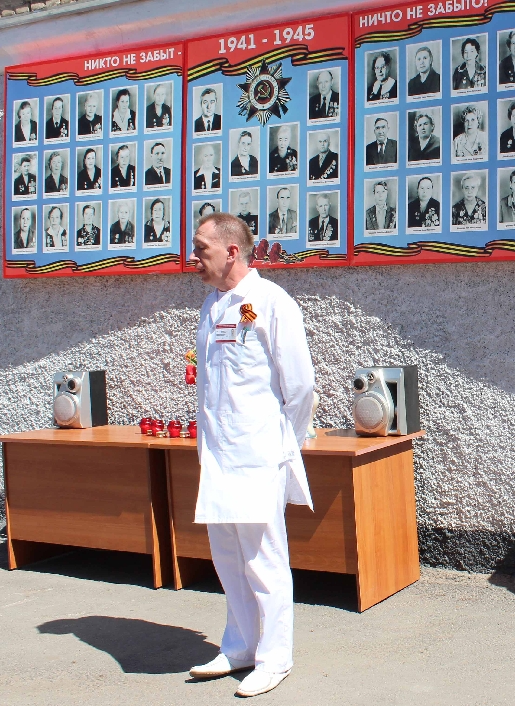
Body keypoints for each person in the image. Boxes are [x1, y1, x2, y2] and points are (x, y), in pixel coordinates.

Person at [186, 212, 315, 698]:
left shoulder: (271, 303)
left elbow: (299, 388)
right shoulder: (212, 305)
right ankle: (239, 646)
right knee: (228, 558)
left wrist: (284, 445)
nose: (194, 258)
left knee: (264, 561)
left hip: (259, 455)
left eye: (202, 249)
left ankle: (274, 658)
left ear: (232, 251)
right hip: (218, 457)